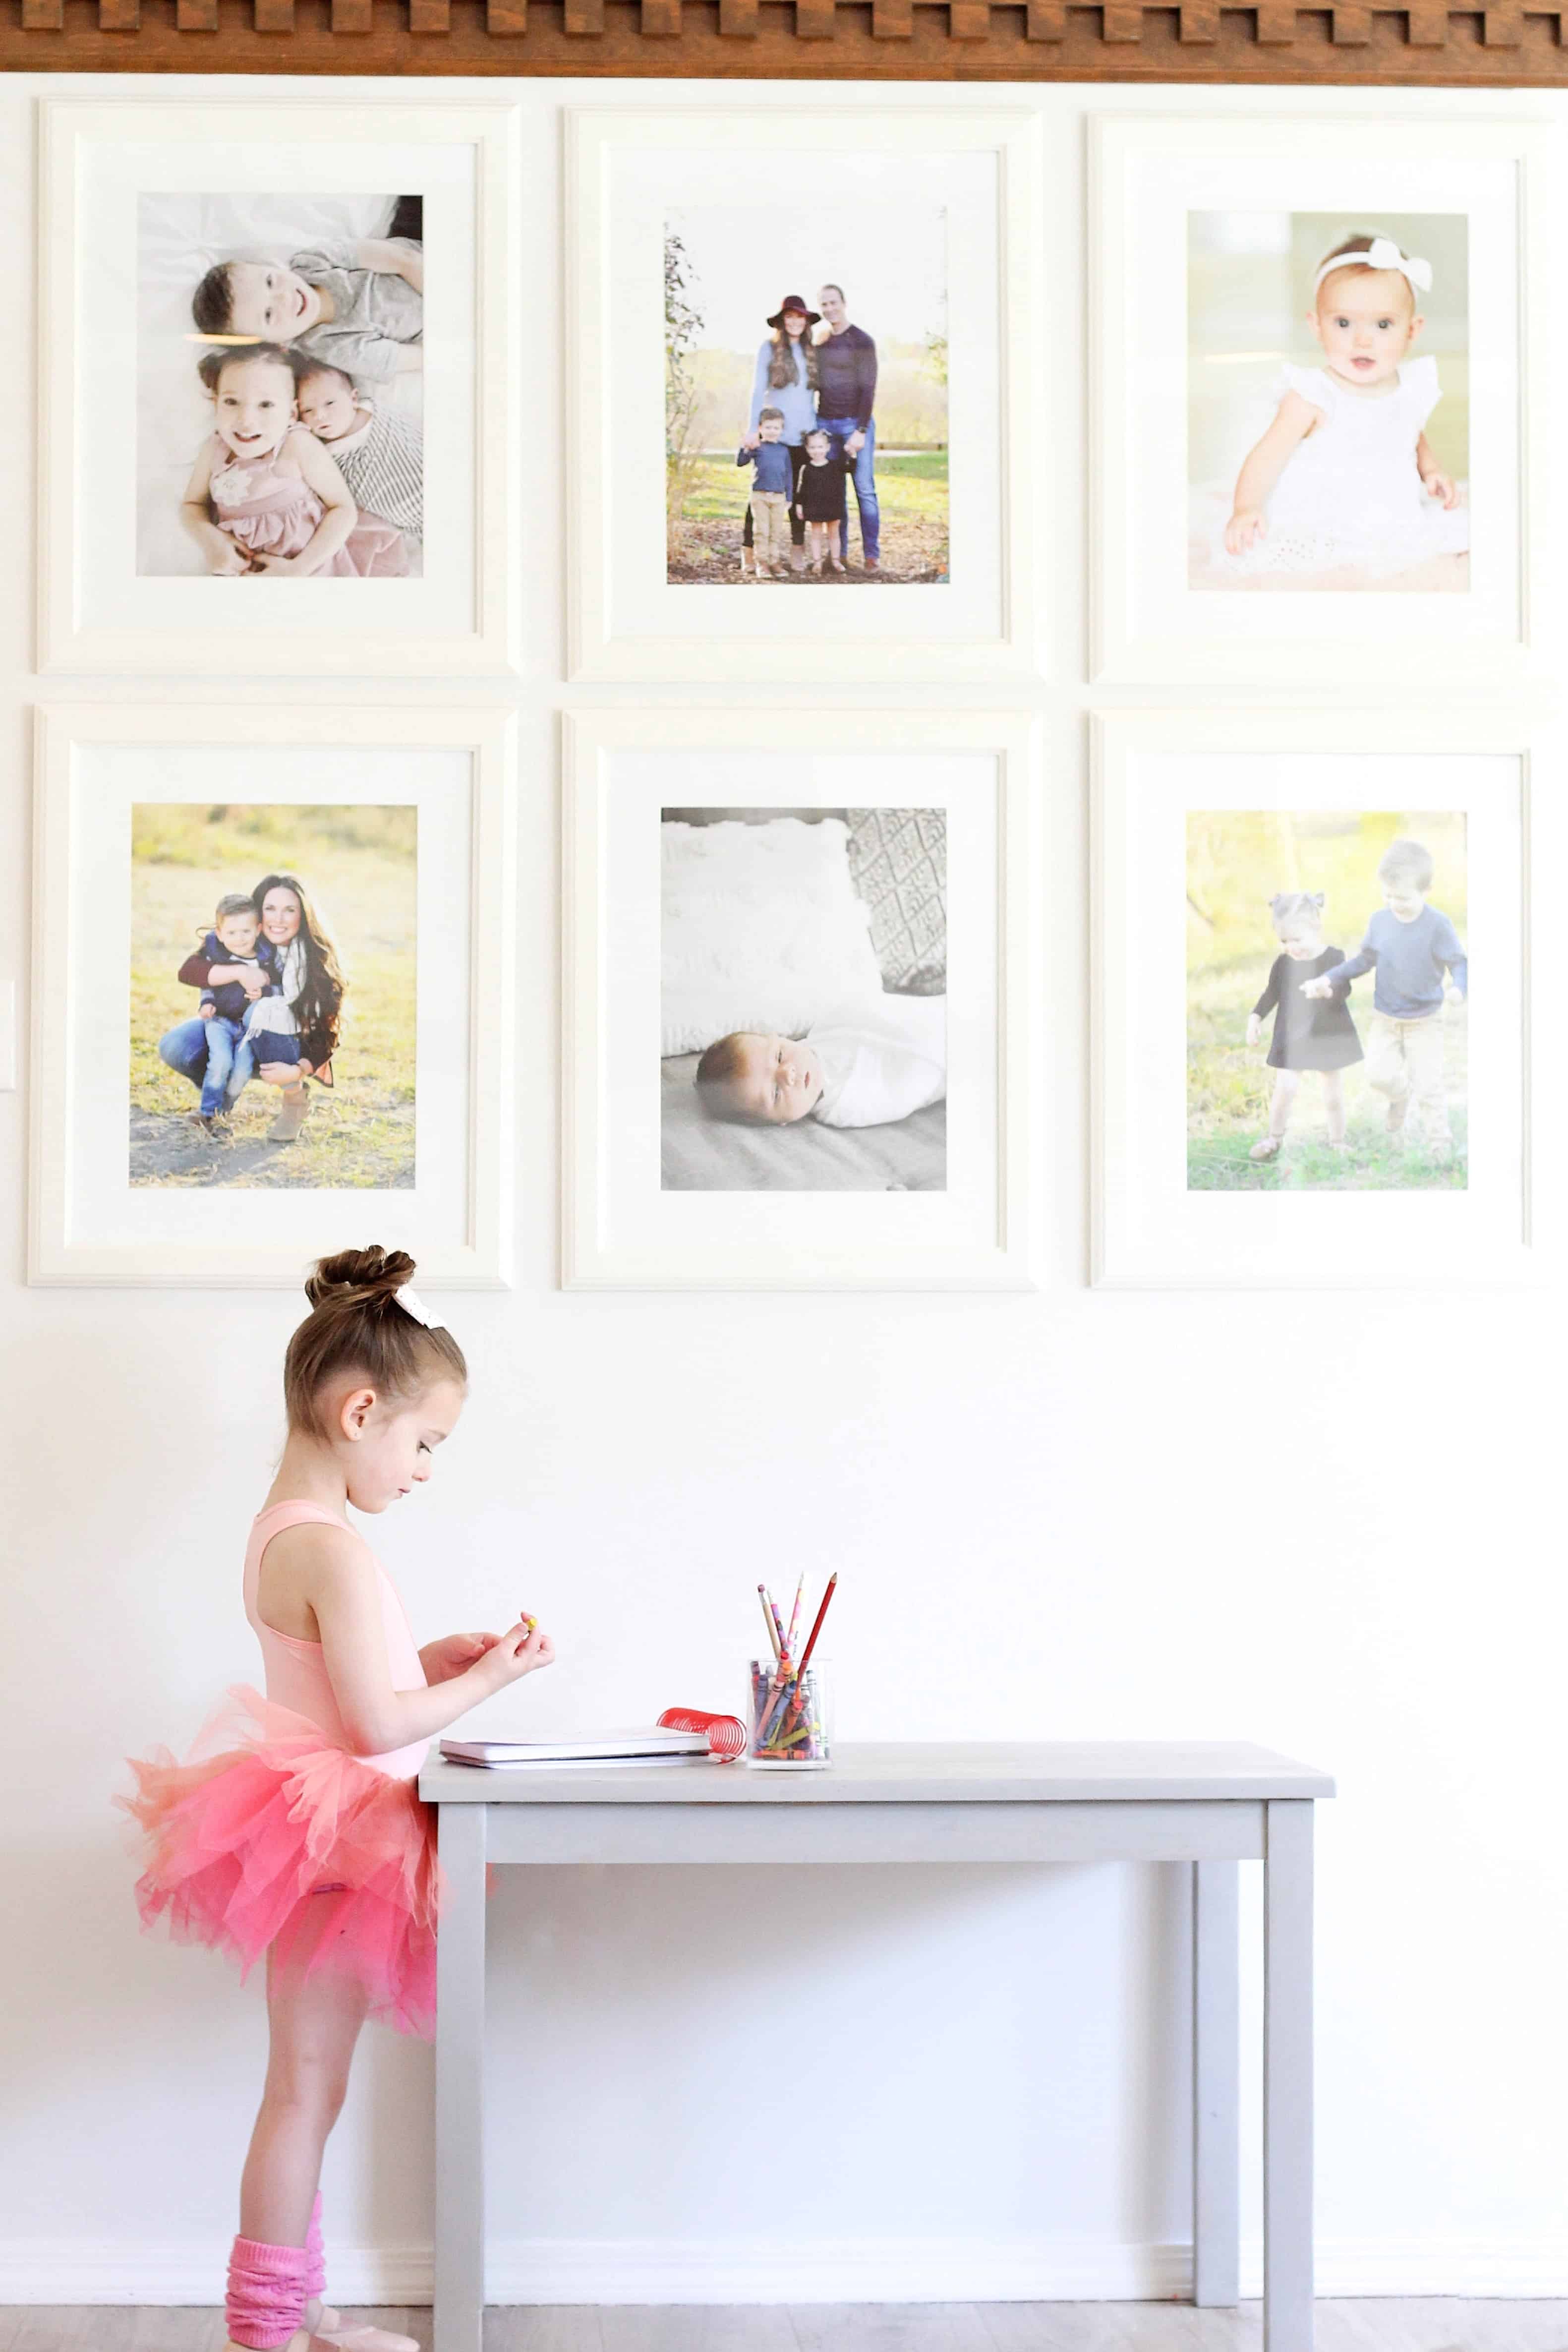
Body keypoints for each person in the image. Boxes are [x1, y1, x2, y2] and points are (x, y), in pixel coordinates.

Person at [116, 1244, 554, 2352]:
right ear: (361, 1410)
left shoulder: (287, 1530)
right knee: (304, 2092)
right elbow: (374, 1725)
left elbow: (346, 1677)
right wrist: (489, 1677)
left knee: (309, 2088)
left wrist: (434, 1653)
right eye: (423, 1442)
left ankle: (294, 2314)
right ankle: (265, 2330)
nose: (423, 1469)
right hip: (337, 1839)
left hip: (314, 1836)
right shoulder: (334, 1550)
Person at [1218, 234, 1468, 587]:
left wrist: (1431, 471)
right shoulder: (1312, 395)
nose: (1362, 340)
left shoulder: (1409, 388)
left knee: (1453, 539)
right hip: (1322, 517)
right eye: (1343, 323)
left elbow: (1410, 433)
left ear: (1412, 331)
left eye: (1382, 325)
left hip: (1392, 513)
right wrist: (1245, 508)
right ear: (1316, 326)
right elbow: (1266, 456)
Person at [1300, 837, 1467, 1158]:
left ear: (1426, 890)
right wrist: (1327, 978)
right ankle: (1400, 1098)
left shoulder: (1437, 925)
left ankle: (1439, 1145)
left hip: (1425, 1021)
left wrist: (1458, 987)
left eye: (1402, 897)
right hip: (1385, 1018)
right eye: (1388, 895)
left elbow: (1458, 962)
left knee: (1429, 1084)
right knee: (1378, 1076)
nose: (1394, 903)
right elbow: (1363, 961)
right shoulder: (1380, 921)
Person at [179, 347, 407, 580]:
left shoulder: (296, 444)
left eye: (266, 405)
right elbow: (192, 504)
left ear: (291, 413)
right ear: (216, 403)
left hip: (314, 566)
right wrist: (210, 540)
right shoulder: (215, 449)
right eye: (231, 401)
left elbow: (344, 510)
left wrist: (299, 569)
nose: (246, 419)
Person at [158, 872, 346, 1146]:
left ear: (302, 916)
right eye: (270, 909)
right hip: (231, 1025)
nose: (278, 919)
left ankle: (295, 1098)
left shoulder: (313, 960)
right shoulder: (242, 933)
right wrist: (240, 972)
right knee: (175, 1045)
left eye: (289, 910)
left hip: (283, 1044)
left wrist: (298, 1071)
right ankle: (219, 1098)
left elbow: (329, 1032)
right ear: (259, 915)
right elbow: (189, 971)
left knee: (269, 1014)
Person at [191, 232, 423, 385]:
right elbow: (416, 358)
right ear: (277, 344)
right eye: (269, 315)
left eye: (270, 282)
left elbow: (403, 259)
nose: (284, 298)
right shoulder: (331, 347)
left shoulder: (313, 263)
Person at [694, 995, 946, 1129]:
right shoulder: (841, 1107)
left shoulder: (828, 1027)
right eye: (775, 1093)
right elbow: (902, 1096)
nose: (787, 1074)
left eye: (779, 1056)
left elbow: (880, 1006)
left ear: (780, 1038)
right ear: (781, 1122)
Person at [1244, 890, 1363, 1163]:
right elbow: (1270, 995)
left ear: (1316, 928)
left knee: (1332, 1093)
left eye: (1297, 939)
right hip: (1292, 1034)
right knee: (1285, 1088)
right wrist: (1255, 1018)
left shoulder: (1333, 957)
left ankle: (1338, 1141)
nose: (1291, 947)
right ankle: (1273, 1138)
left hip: (1327, 1032)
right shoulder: (1284, 963)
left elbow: (1344, 988)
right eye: (1284, 940)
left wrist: (1328, 990)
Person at [294, 360, 423, 548]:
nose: (320, 415)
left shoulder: (376, 409)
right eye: (307, 410)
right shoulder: (321, 454)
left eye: (330, 403)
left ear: (354, 399)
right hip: (411, 516)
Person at [190, 893, 284, 1137]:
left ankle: (225, 1110)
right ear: (220, 934)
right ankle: (208, 1113)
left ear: (259, 930)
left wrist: (265, 992)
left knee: (241, 1071)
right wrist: (207, 1002)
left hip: (250, 1028)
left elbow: (282, 989)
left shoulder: (268, 957)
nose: (239, 939)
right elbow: (206, 982)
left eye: (246, 931)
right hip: (220, 1022)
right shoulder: (216, 953)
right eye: (231, 933)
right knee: (221, 1062)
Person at [739, 295, 819, 578]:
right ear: (783, 321)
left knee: (796, 496)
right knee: (762, 495)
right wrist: (753, 429)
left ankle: (797, 549)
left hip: (803, 435)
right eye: (790, 317)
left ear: (807, 321)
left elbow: (813, 396)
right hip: (775, 436)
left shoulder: (812, 351)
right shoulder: (769, 349)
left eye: (800, 317)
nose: (796, 322)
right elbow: (757, 389)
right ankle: (750, 552)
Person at [815, 283, 880, 573]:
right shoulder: (821, 342)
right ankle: (837, 556)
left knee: (864, 490)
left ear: (844, 303)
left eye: (833, 303)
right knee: (833, 492)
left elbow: (869, 388)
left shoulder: (862, 340)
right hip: (825, 424)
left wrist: (861, 430)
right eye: (824, 305)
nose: (829, 309)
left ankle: (871, 556)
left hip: (855, 424)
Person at [735, 407, 794, 579]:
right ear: (760, 428)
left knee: (776, 531)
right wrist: (745, 446)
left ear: (782, 430)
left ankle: (774, 561)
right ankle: (761, 562)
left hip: (779, 496)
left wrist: (789, 497)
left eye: (776, 428)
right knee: (762, 531)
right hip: (759, 495)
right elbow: (740, 462)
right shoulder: (757, 447)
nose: (772, 431)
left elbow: (789, 475)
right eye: (768, 427)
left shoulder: (784, 450)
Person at [795, 426, 849, 575]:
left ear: (828, 448)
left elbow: (851, 468)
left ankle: (836, 560)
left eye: (820, 447)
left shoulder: (835, 466)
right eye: (812, 447)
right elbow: (801, 489)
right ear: (807, 449)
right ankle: (817, 562)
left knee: (834, 534)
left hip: (833, 506)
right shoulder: (806, 468)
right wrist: (799, 505)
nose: (817, 451)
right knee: (816, 534)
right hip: (814, 507)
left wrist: (853, 454)